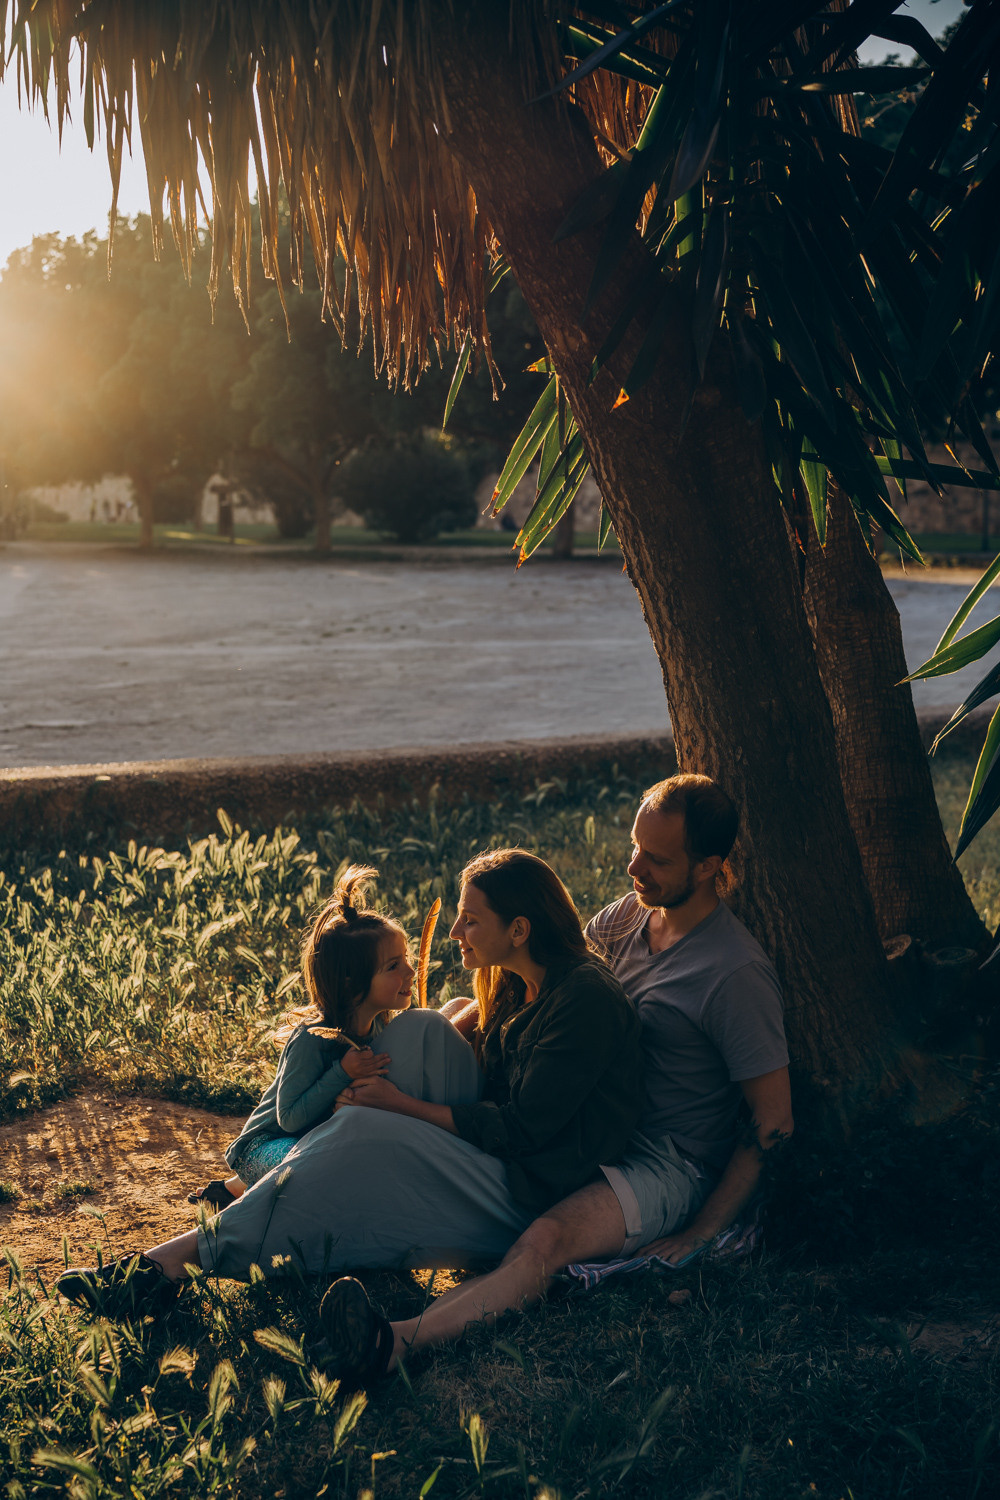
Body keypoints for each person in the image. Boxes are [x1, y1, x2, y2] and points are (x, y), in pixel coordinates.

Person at [318, 774, 793, 1383]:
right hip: (585, 1125)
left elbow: (773, 1120)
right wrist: (454, 1029)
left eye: (656, 858)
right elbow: (542, 981)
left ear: (708, 868)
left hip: (664, 1161)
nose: (633, 868)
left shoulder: (734, 973)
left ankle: (394, 1344)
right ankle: (289, 1179)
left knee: (544, 1242)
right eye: (634, 847)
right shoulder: (626, 919)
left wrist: (703, 1228)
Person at [57, 849, 643, 1337]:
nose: (458, 932)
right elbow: (487, 1058)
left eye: (471, 920)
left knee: (364, 1129)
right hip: (499, 1159)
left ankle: (169, 1266)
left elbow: (522, 1130)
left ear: (519, 930)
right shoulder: (522, 983)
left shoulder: (583, 999)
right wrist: (447, 1027)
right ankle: (264, 1201)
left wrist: (401, 1107)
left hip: (527, 1188)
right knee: (414, 1036)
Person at [186, 865, 399, 1212]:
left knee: (328, 1161)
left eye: (407, 960)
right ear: (351, 981)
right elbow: (289, 1119)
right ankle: (242, 1202)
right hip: (265, 1144)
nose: (411, 970)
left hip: (311, 1143)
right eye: (394, 966)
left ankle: (229, 1190)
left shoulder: (379, 1029)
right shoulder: (311, 1039)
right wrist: (342, 1072)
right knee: (307, 1170)